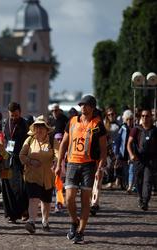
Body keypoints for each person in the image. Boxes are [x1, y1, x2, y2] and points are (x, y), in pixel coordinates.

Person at [55, 95, 107, 244]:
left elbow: (104, 150)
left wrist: (100, 167)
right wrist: (59, 164)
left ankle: (80, 232)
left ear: (92, 107)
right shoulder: (71, 121)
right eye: (81, 105)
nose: (83, 107)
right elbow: (64, 144)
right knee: (68, 199)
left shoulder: (98, 125)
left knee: (85, 201)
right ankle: (74, 221)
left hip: (89, 166)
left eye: (86, 105)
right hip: (72, 164)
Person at [19, 115, 58, 234]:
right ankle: (31, 222)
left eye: (42, 127)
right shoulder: (29, 140)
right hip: (32, 175)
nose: (39, 129)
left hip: (47, 177)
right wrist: (30, 161)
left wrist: (56, 162)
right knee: (33, 198)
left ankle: (45, 221)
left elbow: (58, 154)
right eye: (37, 127)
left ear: (47, 129)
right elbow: (21, 155)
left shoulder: (52, 141)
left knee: (46, 201)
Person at [1, 102, 29, 223]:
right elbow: (3, 141)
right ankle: (11, 214)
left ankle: (23, 211)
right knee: (6, 185)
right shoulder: (5, 123)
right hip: (7, 159)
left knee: (20, 187)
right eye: (12, 115)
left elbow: (28, 142)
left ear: (20, 112)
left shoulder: (24, 124)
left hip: (20, 159)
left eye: (16, 115)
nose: (14, 118)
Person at [127, 108, 157, 211]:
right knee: (138, 180)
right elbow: (129, 143)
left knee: (147, 181)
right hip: (138, 159)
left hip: (151, 160)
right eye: (143, 116)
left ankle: (145, 201)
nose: (145, 118)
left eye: (147, 116)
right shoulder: (136, 129)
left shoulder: (155, 130)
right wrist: (131, 154)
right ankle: (140, 198)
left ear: (151, 117)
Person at [114, 110, 134, 192]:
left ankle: (129, 186)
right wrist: (117, 153)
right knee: (124, 170)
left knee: (131, 170)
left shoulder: (135, 128)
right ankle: (125, 184)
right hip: (123, 153)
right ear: (125, 120)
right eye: (128, 119)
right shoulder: (122, 128)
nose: (129, 121)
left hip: (131, 153)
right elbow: (118, 141)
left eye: (131, 119)